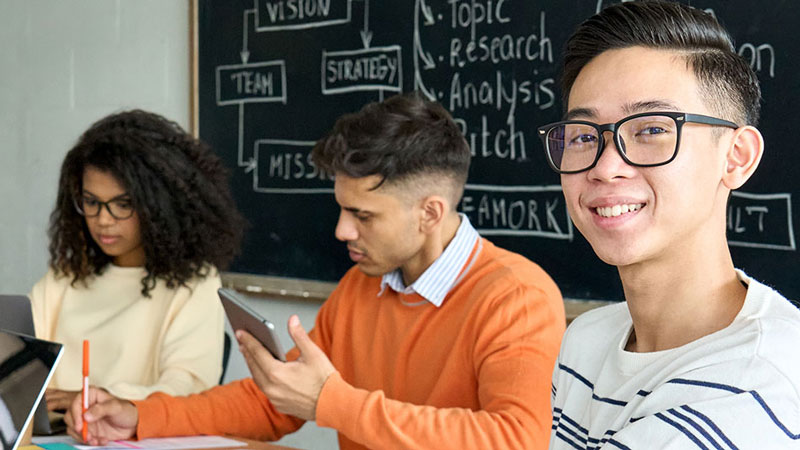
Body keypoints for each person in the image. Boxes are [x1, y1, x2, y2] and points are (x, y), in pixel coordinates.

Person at [64, 92, 566, 449]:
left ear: (430, 213)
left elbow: (513, 441)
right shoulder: (359, 288)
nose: (342, 231)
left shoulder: (516, 296)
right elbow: (272, 402)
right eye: (342, 210)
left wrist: (334, 402)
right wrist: (140, 417)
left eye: (363, 216)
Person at [540, 2, 800, 448]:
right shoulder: (587, 340)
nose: (606, 168)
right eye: (584, 136)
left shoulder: (750, 386)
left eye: (651, 129)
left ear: (736, 157)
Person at [30, 110, 245, 411]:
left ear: (159, 206)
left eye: (123, 204)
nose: (103, 220)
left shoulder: (194, 284)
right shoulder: (65, 277)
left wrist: (96, 400)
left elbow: (187, 389)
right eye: (91, 202)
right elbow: (17, 367)